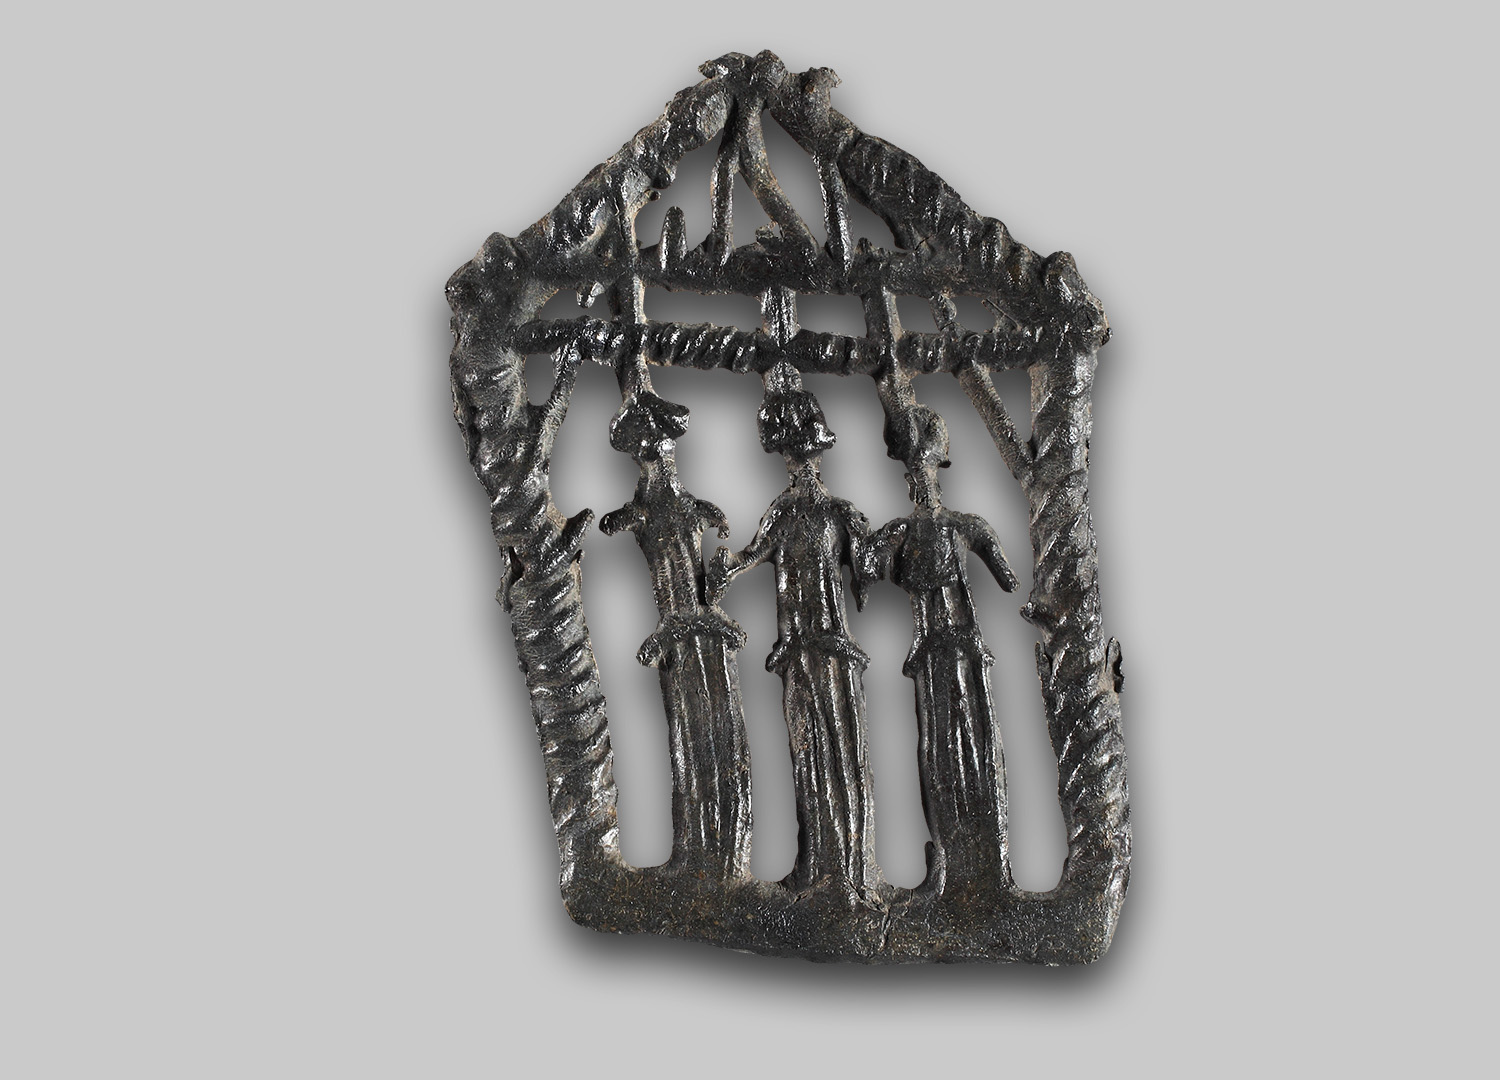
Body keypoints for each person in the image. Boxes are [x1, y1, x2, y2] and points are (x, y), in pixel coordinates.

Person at [708, 363, 877, 901]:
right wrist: (726, 569)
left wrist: (877, 548)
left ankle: (851, 868)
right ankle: (825, 865)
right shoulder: (786, 513)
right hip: (802, 649)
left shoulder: (838, 514)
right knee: (815, 751)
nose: (799, 464)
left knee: (841, 749)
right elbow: (753, 556)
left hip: (827, 645)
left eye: (803, 454)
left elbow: (868, 573)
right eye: (792, 455)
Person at [865, 405, 1019, 892]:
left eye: (924, 476)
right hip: (934, 653)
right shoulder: (908, 532)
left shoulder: (958, 527)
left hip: (958, 651)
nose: (921, 485)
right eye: (915, 478)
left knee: (973, 744)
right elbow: (867, 570)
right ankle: (955, 857)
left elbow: (1006, 575)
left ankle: (985, 860)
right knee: (942, 747)